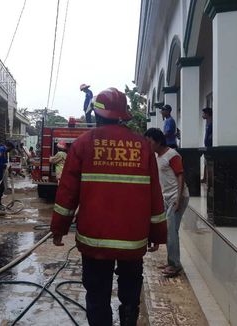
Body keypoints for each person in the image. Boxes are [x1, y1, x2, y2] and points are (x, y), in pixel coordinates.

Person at [51, 88, 167, 326]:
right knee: (130, 294)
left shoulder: (83, 144)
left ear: (96, 114)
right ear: (124, 115)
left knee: (96, 295)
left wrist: (59, 228)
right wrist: (157, 232)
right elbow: (155, 193)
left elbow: (67, 192)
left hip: (95, 240)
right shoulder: (143, 146)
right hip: (132, 240)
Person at [144, 128, 189, 277]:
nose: (147, 145)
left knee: (171, 230)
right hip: (166, 197)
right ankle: (171, 262)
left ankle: (174, 265)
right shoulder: (156, 157)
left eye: (149, 142)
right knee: (165, 228)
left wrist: (178, 198)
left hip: (176, 198)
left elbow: (180, 176)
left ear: (157, 141)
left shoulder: (172, 155)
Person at [201, 107, 213, 183]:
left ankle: (210, 180)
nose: (202, 115)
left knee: (210, 164)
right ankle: (205, 178)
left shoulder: (212, 123)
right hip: (207, 146)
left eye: (203, 113)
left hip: (210, 147)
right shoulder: (208, 123)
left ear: (207, 114)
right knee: (206, 162)